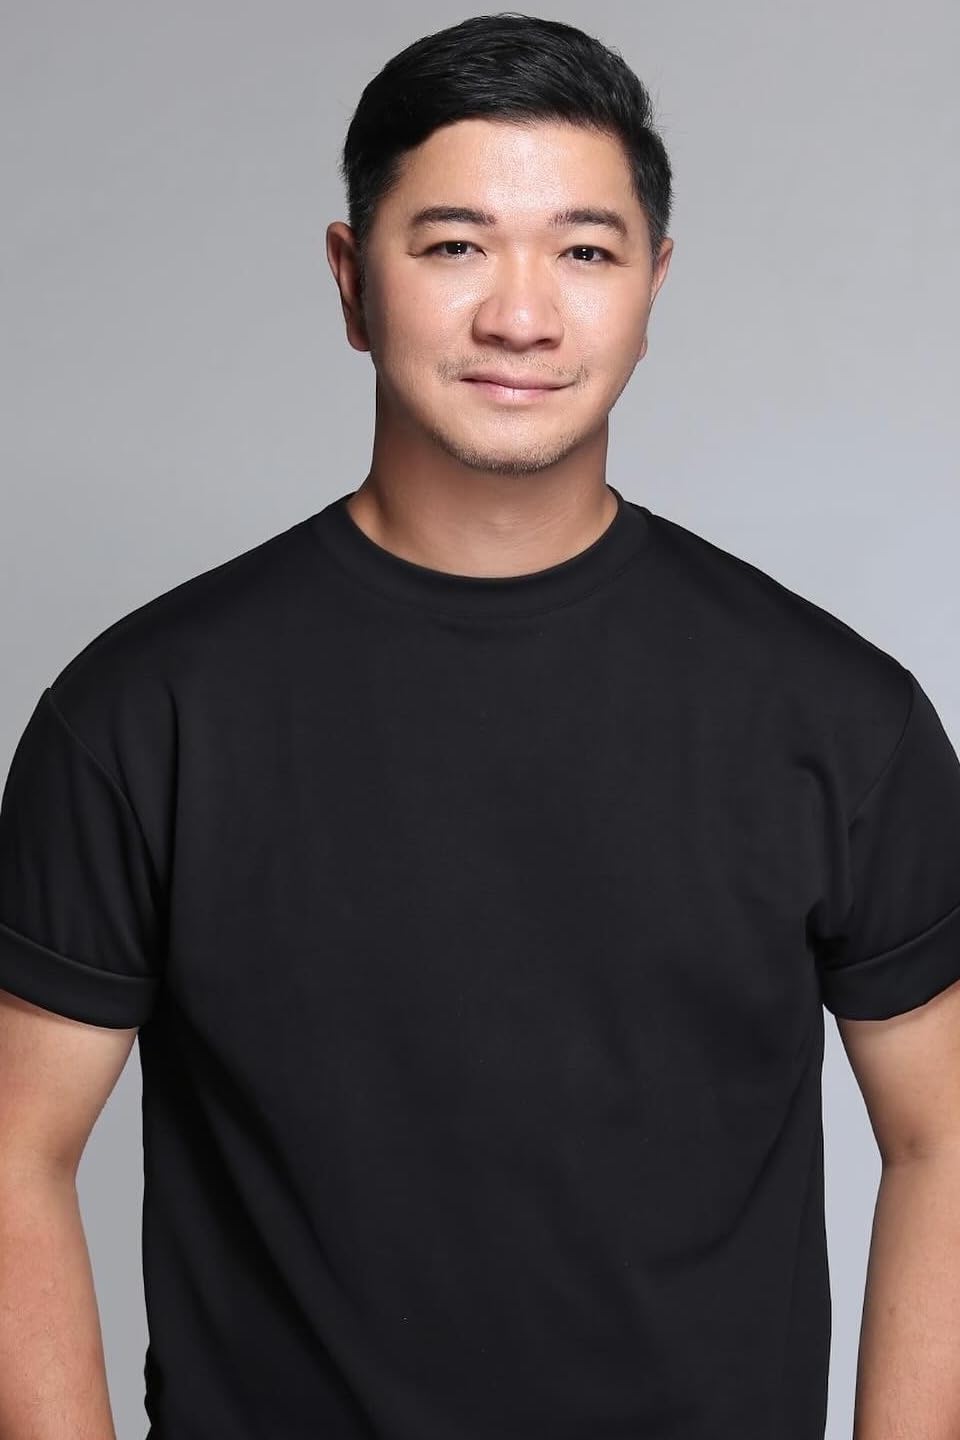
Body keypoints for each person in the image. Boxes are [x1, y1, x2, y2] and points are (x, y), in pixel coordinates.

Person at [1, 12, 959, 1440]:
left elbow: (943, 1135)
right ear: (352, 281)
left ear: (653, 285)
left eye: (586, 252)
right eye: (454, 245)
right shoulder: (144, 711)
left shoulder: (837, 715)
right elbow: (14, 1151)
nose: (522, 315)